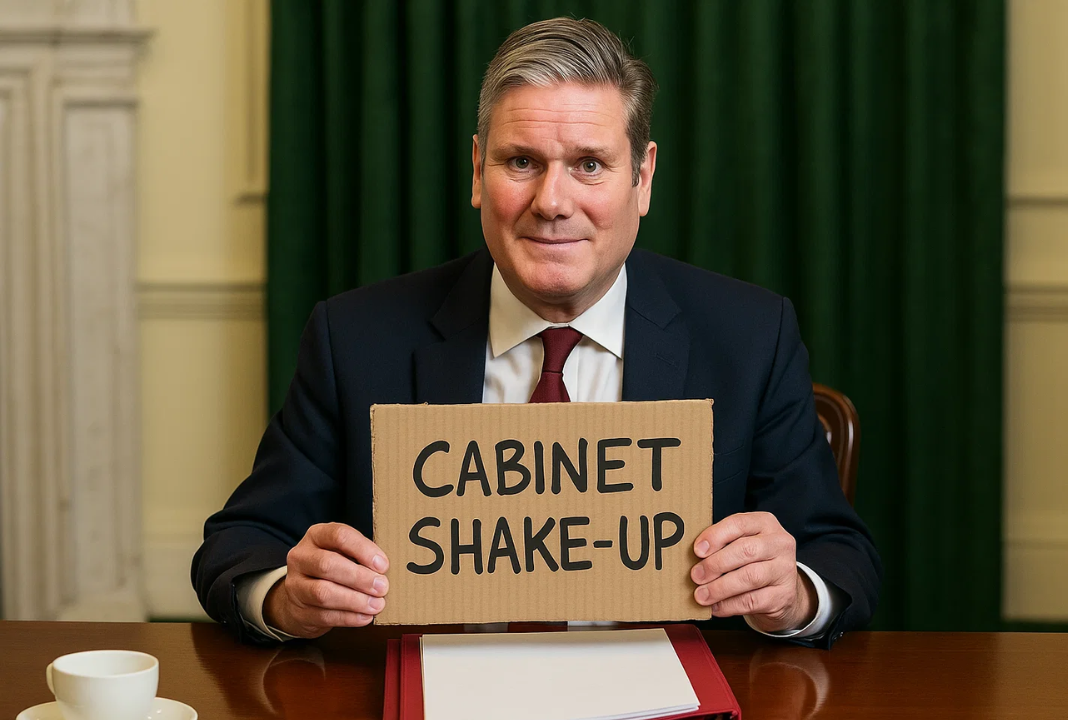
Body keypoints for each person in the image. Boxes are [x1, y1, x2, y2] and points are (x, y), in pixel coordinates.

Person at [192, 17, 881, 649]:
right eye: (521, 162)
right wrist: (285, 595)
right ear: (477, 172)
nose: (552, 202)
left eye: (590, 165)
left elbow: (840, 555)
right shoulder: (355, 338)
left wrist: (791, 593)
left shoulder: (751, 336)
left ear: (642, 178)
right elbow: (240, 543)